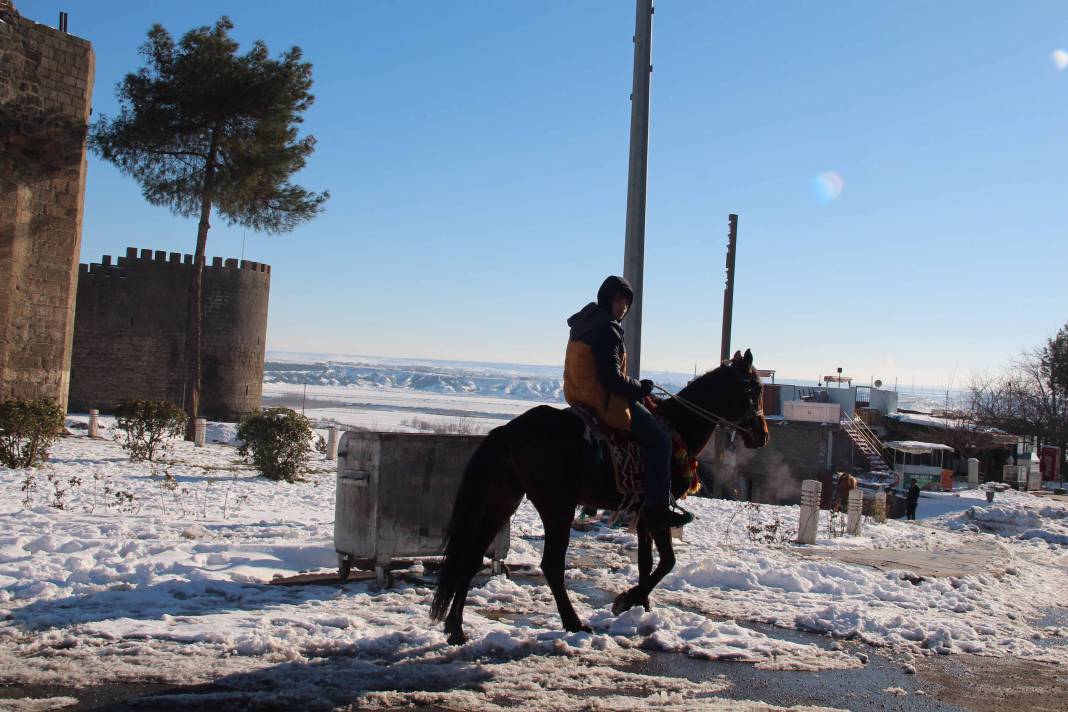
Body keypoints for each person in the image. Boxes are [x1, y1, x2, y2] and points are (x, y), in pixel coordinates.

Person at [563, 275, 691, 531]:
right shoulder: (607, 329)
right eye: (618, 300)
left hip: (578, 396)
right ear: (606, 300)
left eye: (626, 302)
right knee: (661, 441)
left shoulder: (584, 323)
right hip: (603, 401)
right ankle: (657, 508)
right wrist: (640, 387)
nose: (622, 307)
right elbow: (611, 378)